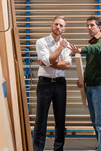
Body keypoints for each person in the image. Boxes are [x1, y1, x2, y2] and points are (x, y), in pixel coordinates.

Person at [68, 16, 101, 151]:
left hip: (100, 86)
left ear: (99, 27)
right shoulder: (93, 43)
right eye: (87, 25)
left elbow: (96, 49)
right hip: (91, 87)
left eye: (92, 25)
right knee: (95, 121)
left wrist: (80, 50)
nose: (89, 28)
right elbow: (90, 67)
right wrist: (83, 80)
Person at [33, 16, 71, 151]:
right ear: (51, 26)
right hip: (45, 83)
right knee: (41, 119)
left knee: (60, 119)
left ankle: (58, 149)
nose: (58, 27)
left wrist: (48, 62)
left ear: (64, 29)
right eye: (56, 24)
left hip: (60, 83)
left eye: (61, 25)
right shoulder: (41, 42)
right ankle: (38, 149)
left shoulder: (67, 44)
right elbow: (52, 61)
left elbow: (66, 65)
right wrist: (60, 48)